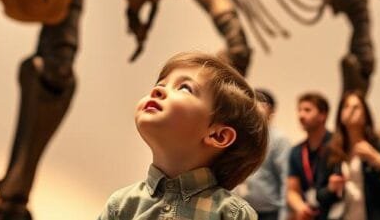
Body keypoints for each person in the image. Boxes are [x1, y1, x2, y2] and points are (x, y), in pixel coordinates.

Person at [97, 51, 267, 220]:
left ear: (218, 135)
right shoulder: (121, 205)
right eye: (161, 84)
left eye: (185, 88)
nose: (157, 90)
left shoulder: (233, 213)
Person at [322, 90, 380, 220]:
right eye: (346, 107)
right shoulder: (331, 150)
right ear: (340, 114)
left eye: (356, 107)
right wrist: (331, 189)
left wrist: (375, 159)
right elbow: (320, 195)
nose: (350, 111)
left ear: (366, 115)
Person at [240, 89, 291, 220]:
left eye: (260, 103)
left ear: (270, 110)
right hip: (242, 208)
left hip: (269, 212)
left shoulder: (279, 139)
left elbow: (285, 178)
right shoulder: (242, 136)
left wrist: (284, 214)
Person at [287, 92, 333, 220]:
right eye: (299, 110)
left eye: (307, 110)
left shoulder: (337, 147)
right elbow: (292, 190)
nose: (301, 115)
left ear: (323, 115)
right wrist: (300, 207)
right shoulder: (296, 151)